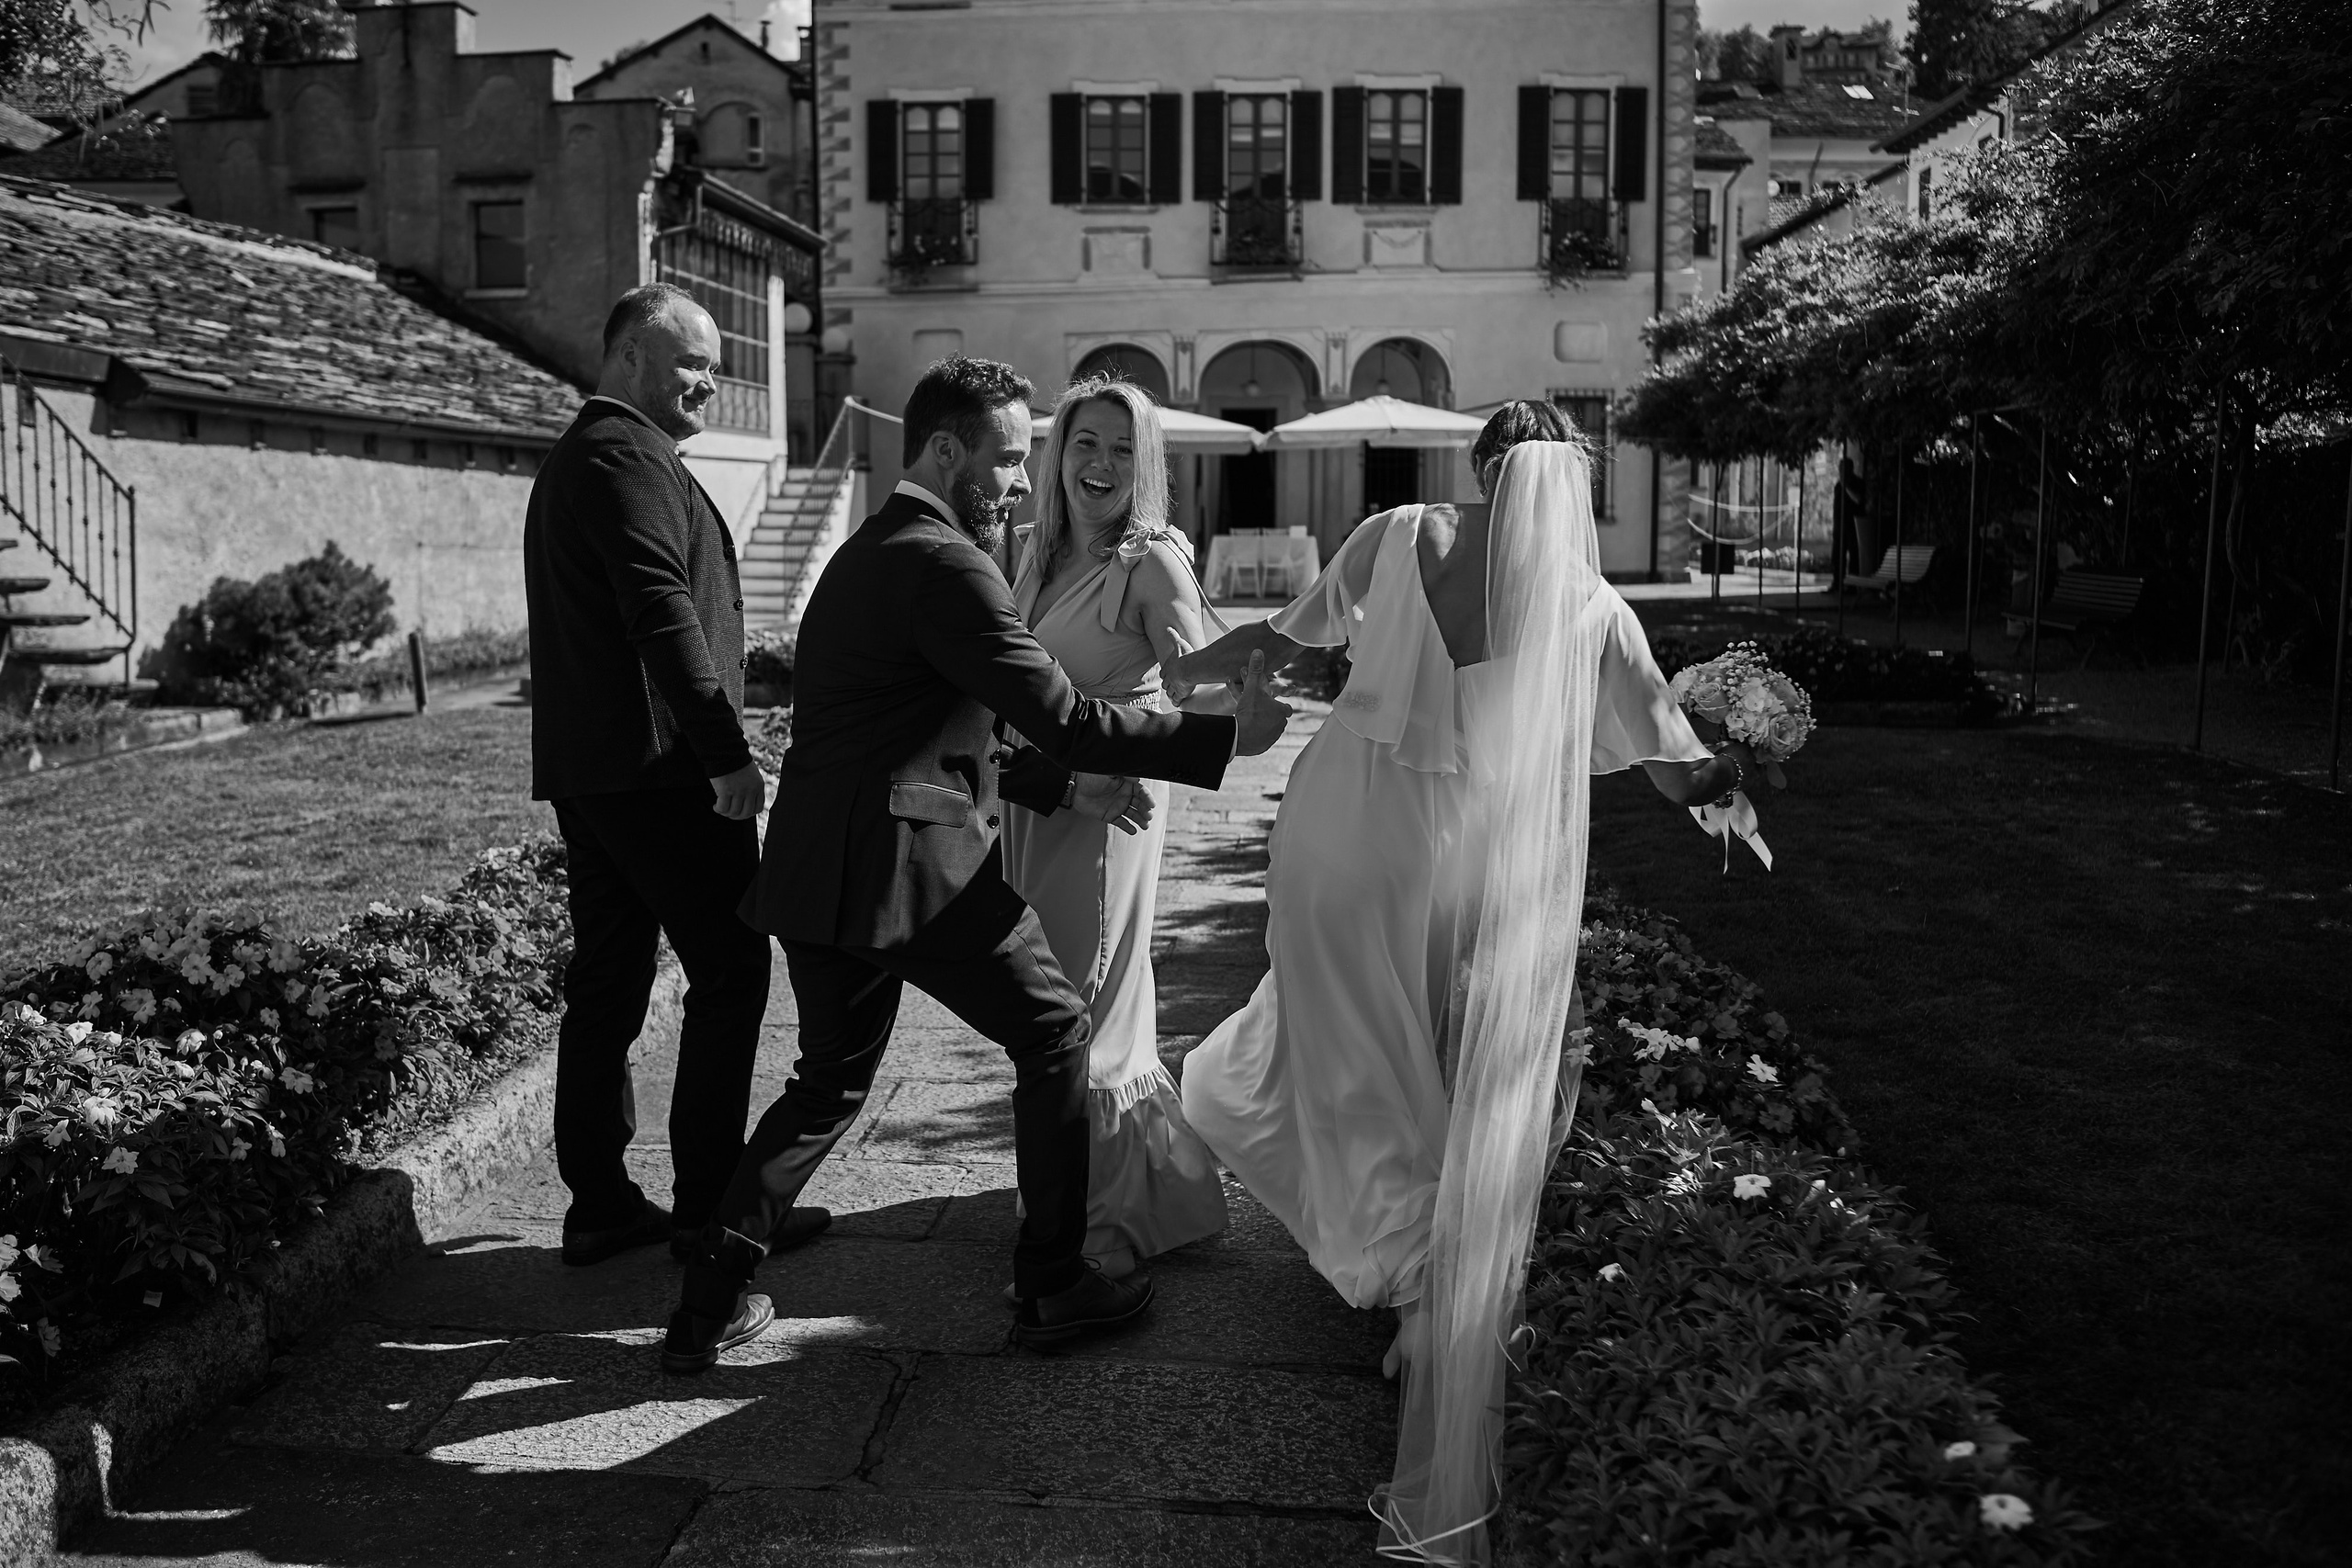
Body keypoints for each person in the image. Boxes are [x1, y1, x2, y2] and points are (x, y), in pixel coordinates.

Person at [1168, 402, 1759, 1563]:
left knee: (1330, 1046)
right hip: (1468, 865)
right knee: (1440, 1056)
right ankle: (1429, 1293)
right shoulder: (1592, 607)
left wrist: (1165, 675)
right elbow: (1671, 768)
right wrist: (1743, 771)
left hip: (1340, 838)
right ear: (1570, 488)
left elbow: (1277, 652)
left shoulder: (1393, 535)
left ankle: (1405, 1273)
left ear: (1481, 469)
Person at [663, 356, 1295, 1374]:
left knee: (824, 1084)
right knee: (1055, 1032)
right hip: (914, 870)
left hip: (814, 869)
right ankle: (1052, 1283)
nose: (1019, 478)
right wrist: (1220, 744)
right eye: (1007, 458)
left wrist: (1059, 789)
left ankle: (704, 1306)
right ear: (946, 450)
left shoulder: (868, 553)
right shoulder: (950, 564)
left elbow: (959, 726)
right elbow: (1058, 715)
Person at [523, 283, 825, 1269]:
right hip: (660, 775)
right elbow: (663, 615)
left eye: (713, 363)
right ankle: (711, 1210)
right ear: (628, 359)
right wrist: (726, 758)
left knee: (610, 981)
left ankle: (603, 1205)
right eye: (691, 361)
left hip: (604, 772)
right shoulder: (622, 453)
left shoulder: (602, 454)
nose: (710, 380)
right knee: (732, 971)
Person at [1002, 376, 1229, 1281]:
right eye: (1086, 443)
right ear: (1058, 455)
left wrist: (1240, 699)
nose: (1100, 464)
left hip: (1107, 803)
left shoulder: (1151, 560)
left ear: (1147, 465)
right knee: (1047, 999)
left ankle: (1098, 1226)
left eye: (1123, 448)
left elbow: (1197, 684)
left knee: (1084, 1001)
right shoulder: (1033, 549)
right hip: (1033, 799)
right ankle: (1072, 1191)